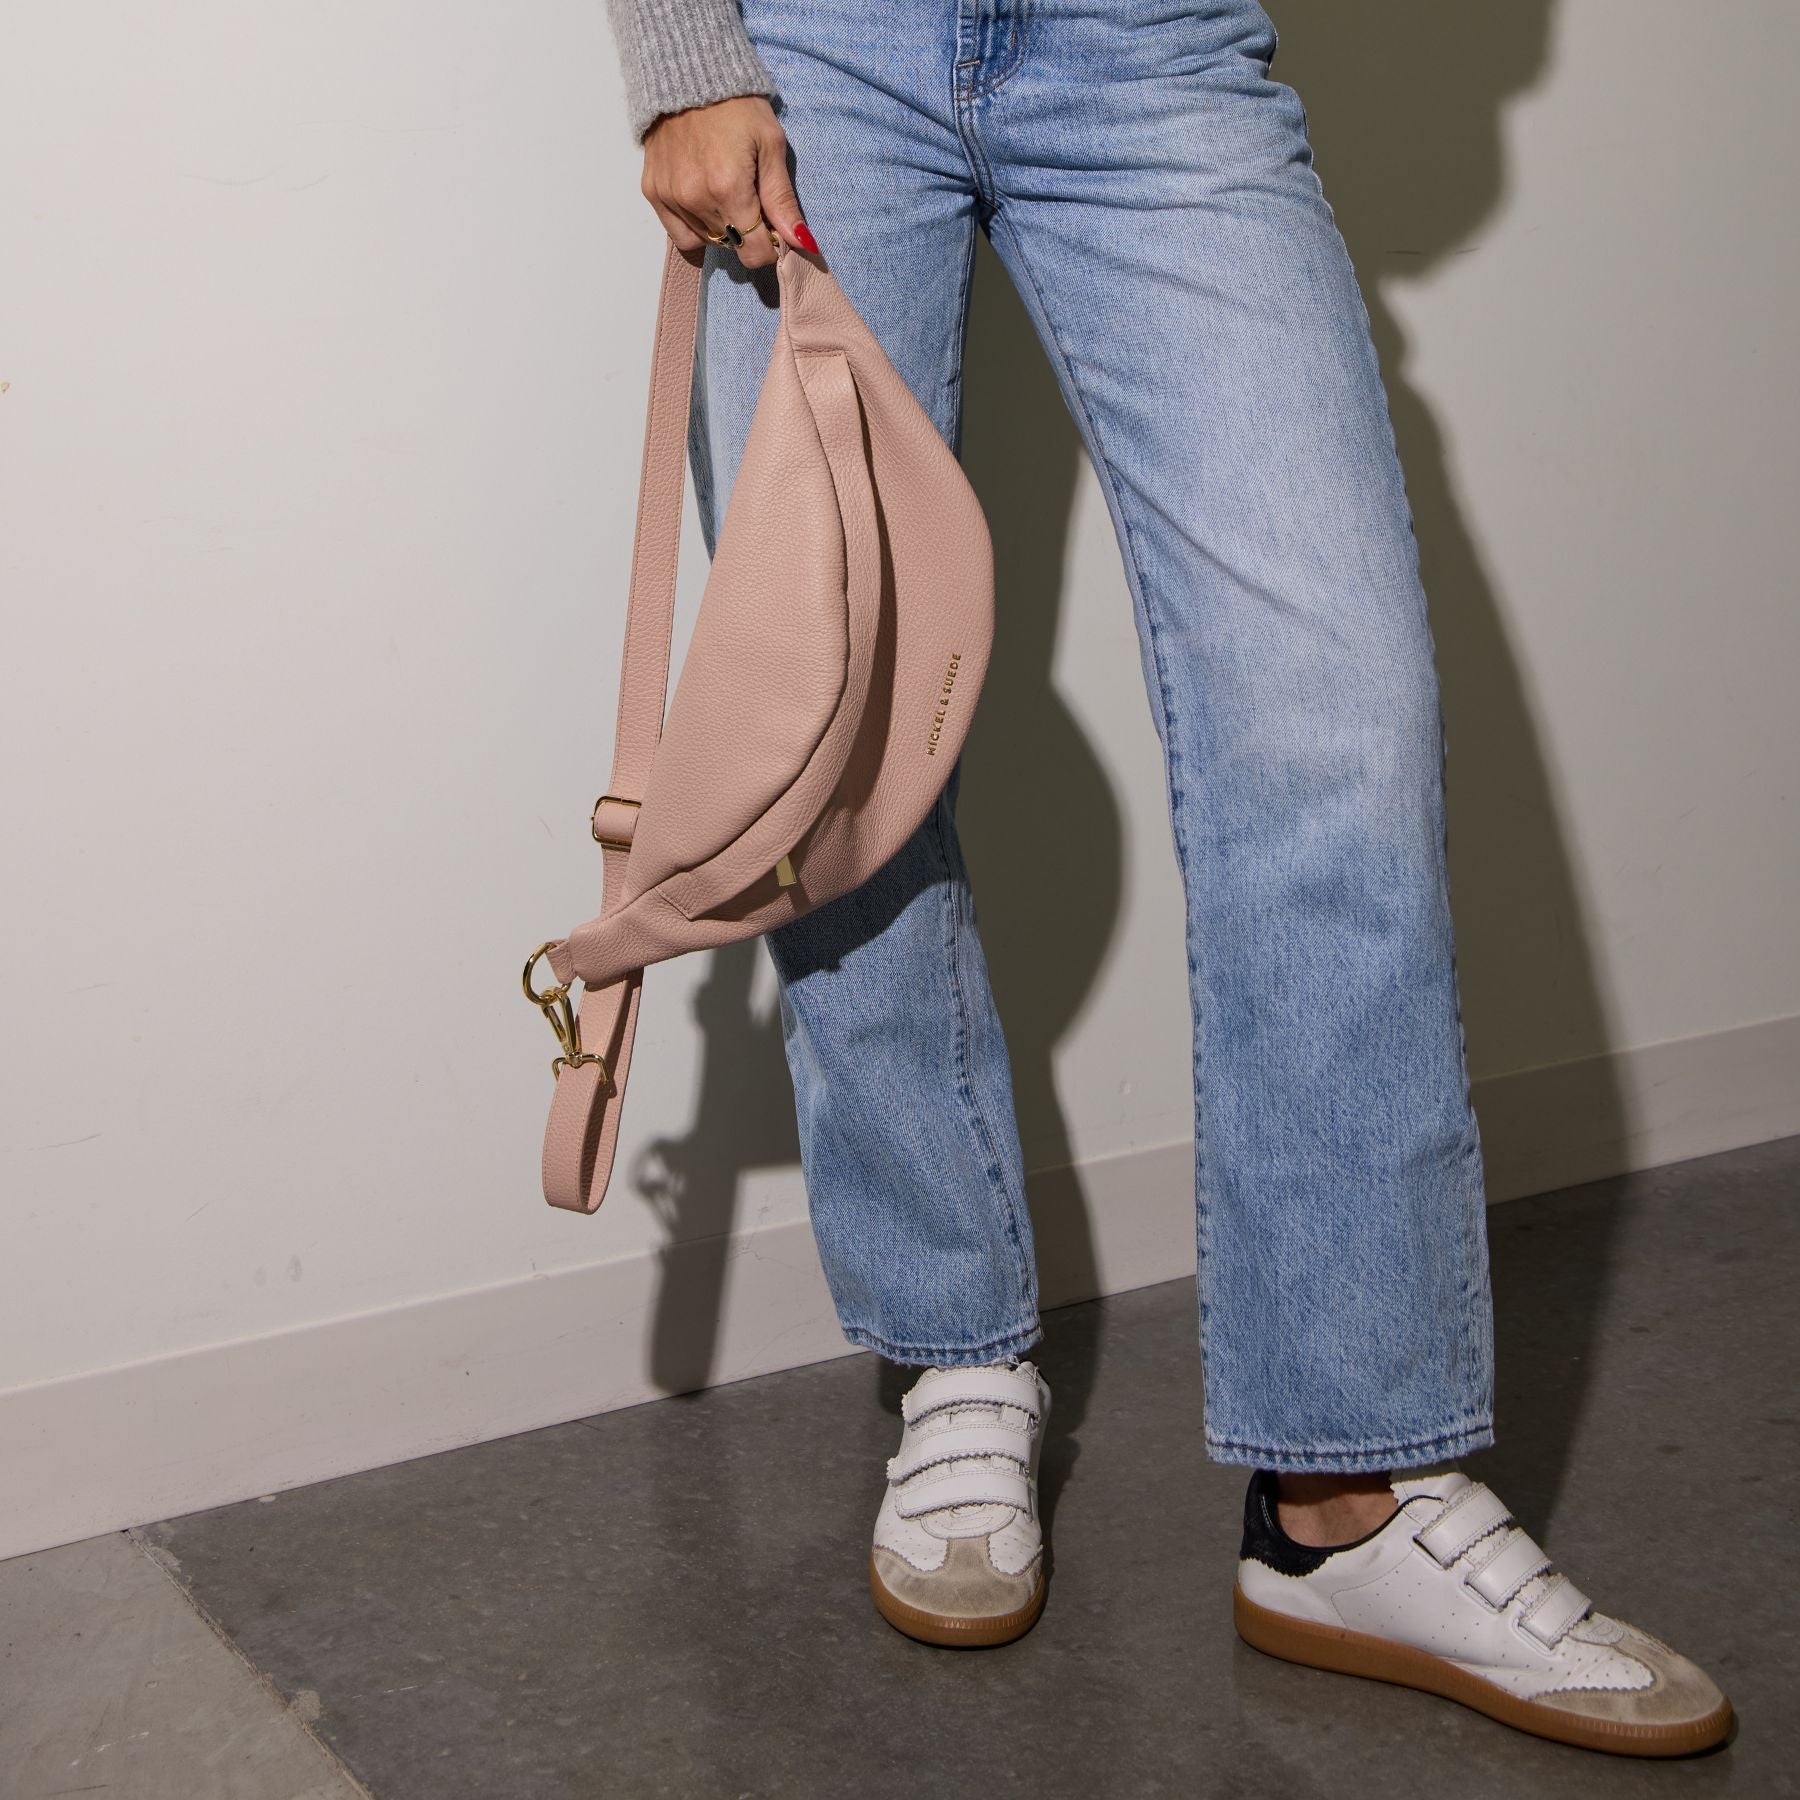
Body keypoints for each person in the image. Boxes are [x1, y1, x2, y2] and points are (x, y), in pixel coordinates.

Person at [600, 0, 1732, 1756]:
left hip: (1150, 45)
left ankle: (1348, 1501)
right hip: (812, 49)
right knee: (836, 726)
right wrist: (686, 56)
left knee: (1331, 711)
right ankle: (955, 1358)